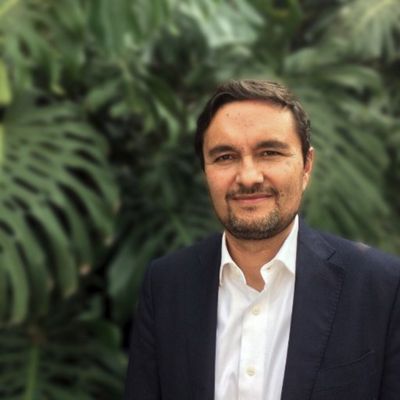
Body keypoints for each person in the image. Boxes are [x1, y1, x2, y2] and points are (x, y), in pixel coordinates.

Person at [124, 79, 400, 400]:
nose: (248, 177)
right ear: (205, 172)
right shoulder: (166, 285)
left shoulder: (381, 288)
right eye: (225, 157)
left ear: (306, 166)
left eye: (269, 153)